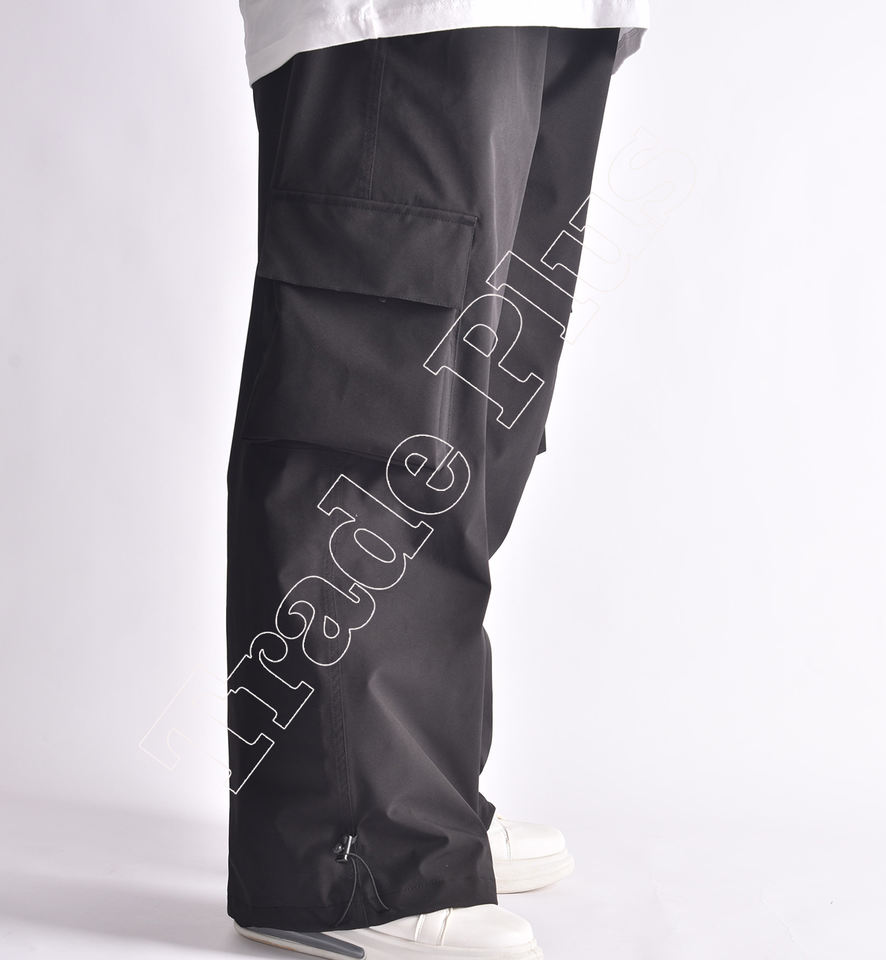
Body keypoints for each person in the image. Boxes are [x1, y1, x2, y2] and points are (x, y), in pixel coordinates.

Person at [225, 3, 648, 957]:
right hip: (396, 21)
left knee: (478, 412)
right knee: (380, 404)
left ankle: (425, 803)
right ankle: (352, 856)